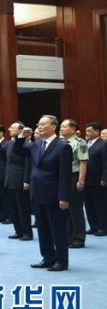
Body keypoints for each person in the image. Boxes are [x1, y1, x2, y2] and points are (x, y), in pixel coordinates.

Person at [15, 115, 72, 271]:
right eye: (38, 124)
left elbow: (65, 175)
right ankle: (47, 257)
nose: (39, 127)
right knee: (43, 227)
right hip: (37, 192)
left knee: (57, 228)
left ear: (53, 127)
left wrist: (64, 197)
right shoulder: (37, 143)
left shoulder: (62, 146)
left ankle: (61, 260)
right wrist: (22, 136)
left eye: (43, 124)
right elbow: (18, 150)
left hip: (54, 194)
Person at [0, 121, 33, 241]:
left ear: (21, 131)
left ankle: (27, 232)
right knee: (13, 208)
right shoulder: (11, 144)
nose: (10, 129)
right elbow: (0, 152)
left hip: (21, 179)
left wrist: (26, 180)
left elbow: (28, 164)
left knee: (23, 208)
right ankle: (18, 231)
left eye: (13, 128)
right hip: (9, 179)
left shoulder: (26, 145)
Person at [60, 119, 88, 249]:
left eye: (64, 126)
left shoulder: (79, 142)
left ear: (72, 129)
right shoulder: (60, 142)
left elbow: (83, 162)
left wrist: (81, 180)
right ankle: (68, 235)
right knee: (64, 207)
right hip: (62, 177)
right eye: (61, 126)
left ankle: (79, 238)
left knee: (75, 208)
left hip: (73, 176)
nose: (61, 128)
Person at [83, 122, 107, 236]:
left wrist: (104, 178)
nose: (87, 133)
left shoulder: (103, 144)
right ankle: (93, 226)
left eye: (89, 131)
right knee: (88, 204)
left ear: (97, 132)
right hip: (85, 179)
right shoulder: (85, 143)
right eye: (86, 131)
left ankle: (103, 227)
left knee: (100, 204)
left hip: (98, 179)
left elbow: (106, 163)